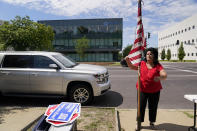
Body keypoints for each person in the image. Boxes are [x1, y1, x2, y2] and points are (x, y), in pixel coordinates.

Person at [125, 47, 167, 129]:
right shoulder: (142, 63)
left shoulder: (158, 66)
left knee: (153, 107)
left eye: (151, 54)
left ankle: (152, 122)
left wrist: (159, 78)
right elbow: (132, 67)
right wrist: (127, 60)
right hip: (142, 89)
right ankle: (139, 122)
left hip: (155, 91)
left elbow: (164, 75)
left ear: (154, 56)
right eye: (147, 54)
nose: (149, 55)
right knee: (140, 107)